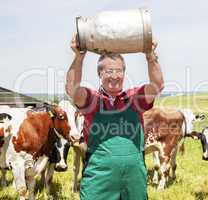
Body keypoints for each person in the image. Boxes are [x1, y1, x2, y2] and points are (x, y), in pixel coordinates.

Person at [65, 35, 164, 200]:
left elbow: (157, 86)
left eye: (119, 71)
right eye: (109, 71)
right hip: (99, 178)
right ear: (99, 73)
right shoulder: (92, 100)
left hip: (134, 178)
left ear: (124, 73)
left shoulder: (134, 98)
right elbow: (72, 90)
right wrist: (79, 57)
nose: (114, 76)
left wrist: (150, 56)